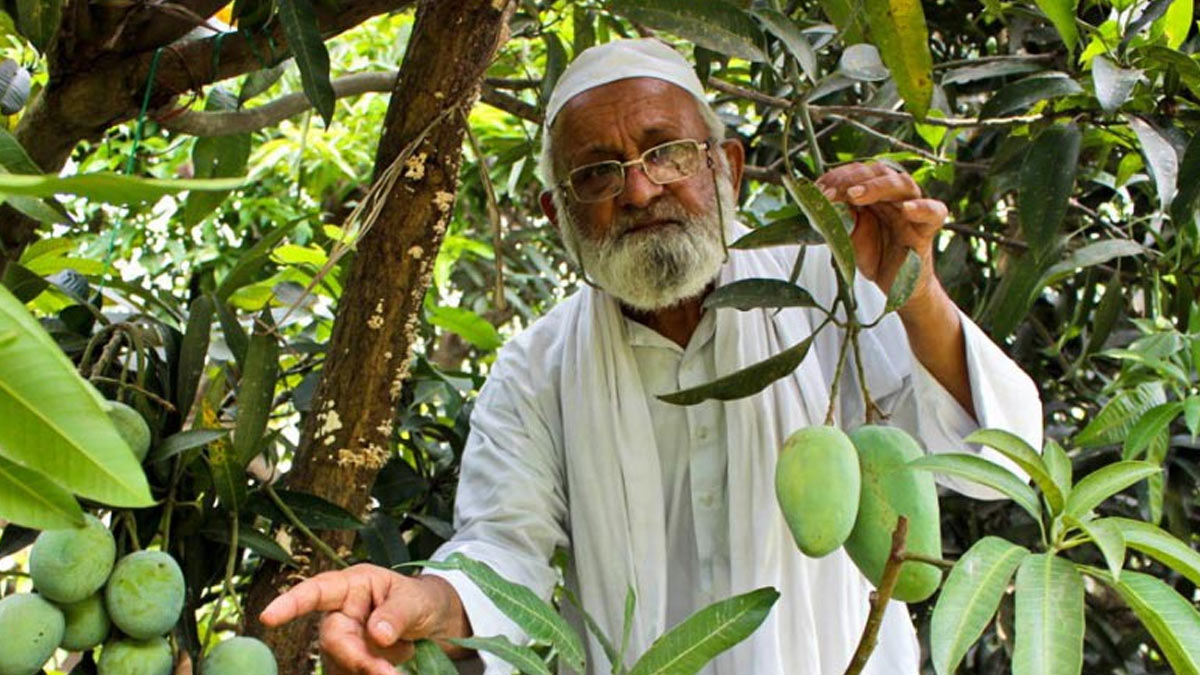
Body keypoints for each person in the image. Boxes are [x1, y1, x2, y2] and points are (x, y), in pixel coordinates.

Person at [259, 39, 1042, 674]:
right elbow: (504, 555)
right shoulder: (535, 371)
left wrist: (913, 290)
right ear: (557, 216)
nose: (638, 191)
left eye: (667, 152)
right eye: (597, 172)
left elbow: (992, 455)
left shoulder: (824, 285)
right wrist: (428, 599)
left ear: (726, 170)